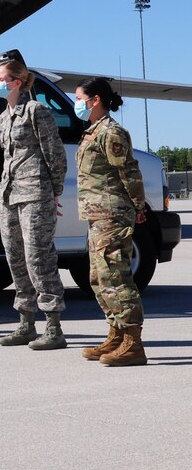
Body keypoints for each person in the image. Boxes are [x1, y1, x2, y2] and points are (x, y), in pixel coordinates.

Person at [0, 59, 69, 350]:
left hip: (36, 193)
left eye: (1, 78)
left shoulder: (37, 111)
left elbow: (55, 154)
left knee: (39, 258)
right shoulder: (3, 117)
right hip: (9, 195)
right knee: (15, 258)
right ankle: (26, 323)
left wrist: (55, 192)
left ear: (16, 82)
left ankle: (54, 327)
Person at [74, 77, 148, 366]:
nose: (77, 103)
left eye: (80, 98)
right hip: (97, 216)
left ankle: (133, 342)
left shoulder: (111, 132)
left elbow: (129, 172)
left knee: (116, 277)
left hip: (113, 214)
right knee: (98, 277)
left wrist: (138, 206)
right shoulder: (91, 132)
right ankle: (116, 334)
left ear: (95, 101)